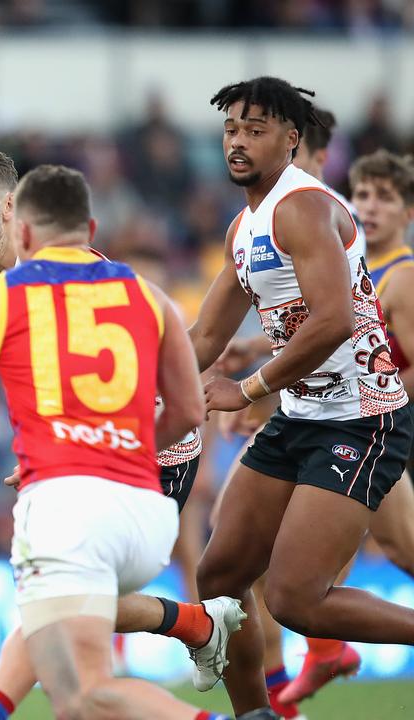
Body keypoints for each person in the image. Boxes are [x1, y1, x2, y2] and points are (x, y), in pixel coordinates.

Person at [0, 144, 236, 720]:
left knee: (59, 619)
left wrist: (82, 447)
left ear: (11, 209)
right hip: (107, 461)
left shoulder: (50, 280)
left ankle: (197, 627)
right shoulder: (17, 282)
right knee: (65, 634)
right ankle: (196, 623)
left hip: (146, 452)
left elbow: (144, 386)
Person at [190, 77, 414, 720]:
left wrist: (250, 387)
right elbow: (204, 334)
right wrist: (134, 389)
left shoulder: (305, 207)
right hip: (303, 414)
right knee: (221, 579)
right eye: (231, 129)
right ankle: (261, 715)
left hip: (361, 418)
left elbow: (334, 320)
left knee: (295, 599)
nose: (237, 141)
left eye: (254, 129)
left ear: (292, 140)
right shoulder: (244, 225)